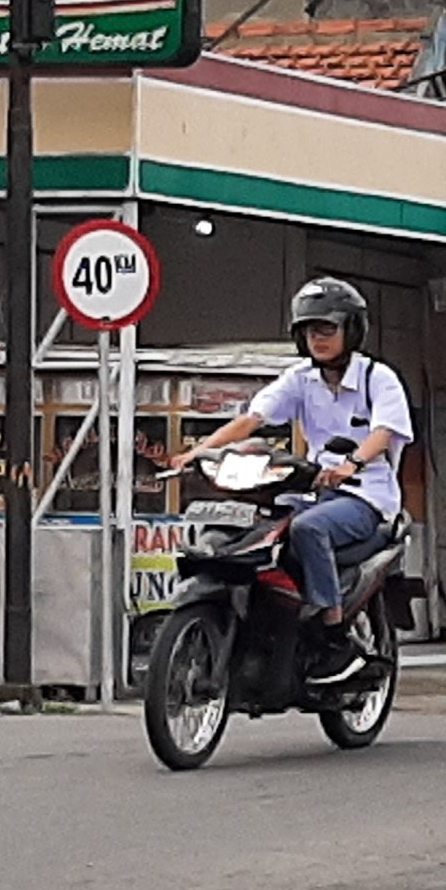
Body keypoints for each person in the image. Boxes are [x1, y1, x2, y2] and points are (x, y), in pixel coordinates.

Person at [167, 278, 414, 685]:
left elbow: (384, 432)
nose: (317, 339)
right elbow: (253, 419)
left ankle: (333, 631)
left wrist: (352, 462)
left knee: (307, 528)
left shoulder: (378, 378)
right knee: (258, 527)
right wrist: (199, 452)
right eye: (309, 331)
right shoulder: (300, 378)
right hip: (315, 489)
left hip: (366, 497)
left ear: (351, 329)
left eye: (327, 329)